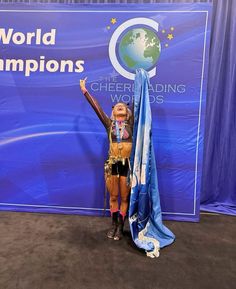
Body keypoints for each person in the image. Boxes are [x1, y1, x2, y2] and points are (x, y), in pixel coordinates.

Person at [80, 78, 133, 240]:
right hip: (112, 164)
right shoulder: (108, 124)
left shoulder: (131, 124)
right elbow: (96, 107)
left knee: (125, 197)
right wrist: (84, 90)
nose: (119, 106)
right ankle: (114, 225)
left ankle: (121, 227)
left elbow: (140, 102)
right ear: (113, 111)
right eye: (117, 106)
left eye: (123, 106)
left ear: (127, 112)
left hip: (126, 165)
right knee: (113, 196)